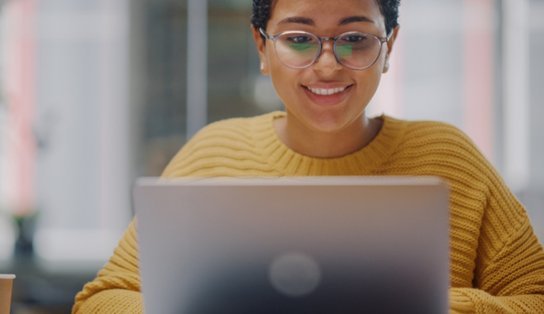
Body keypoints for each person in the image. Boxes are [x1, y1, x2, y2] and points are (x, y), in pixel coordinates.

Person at [73, 0, 544, 312]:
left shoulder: (450, 160)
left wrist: (426, 305)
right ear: (262, 45)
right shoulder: (211, 156)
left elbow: (535, 298)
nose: (326, 65)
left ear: (389, 47)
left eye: (355, 39)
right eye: (299, 38)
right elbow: (99, 302)